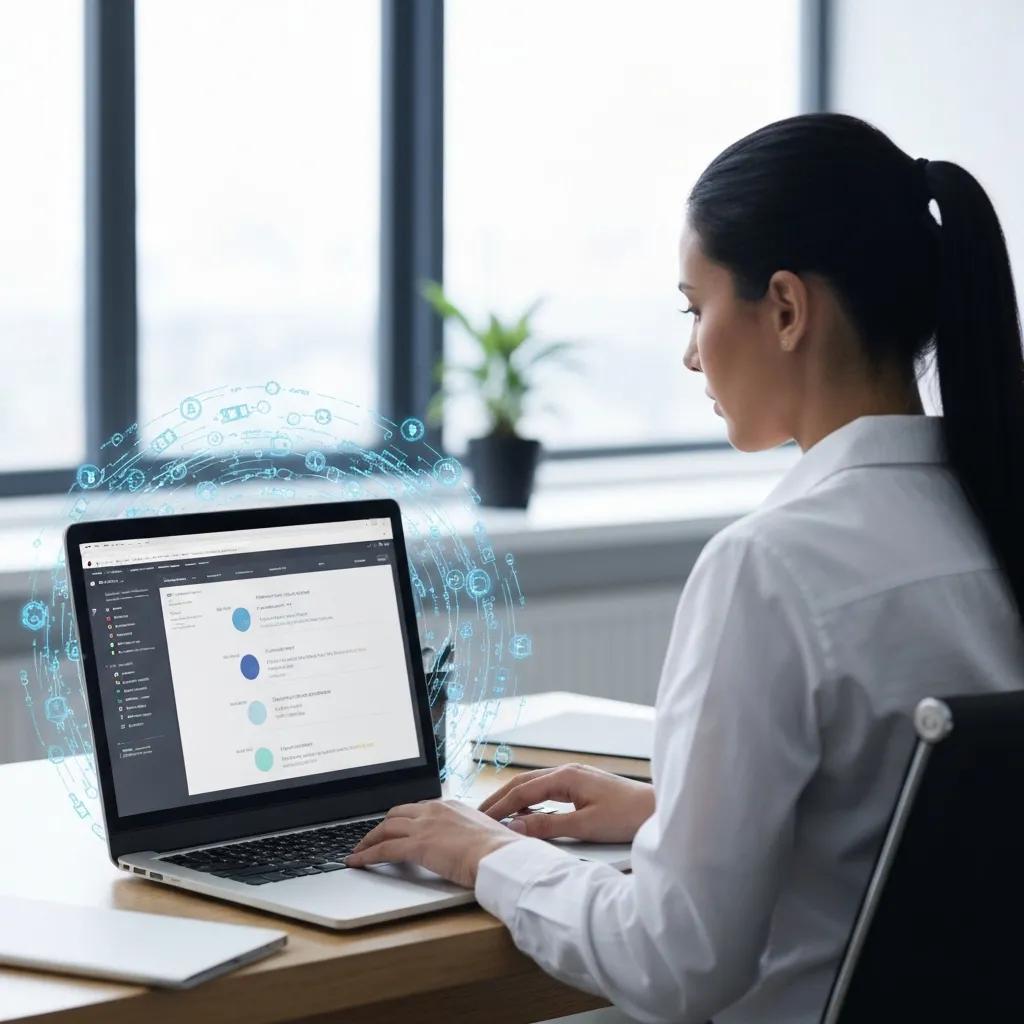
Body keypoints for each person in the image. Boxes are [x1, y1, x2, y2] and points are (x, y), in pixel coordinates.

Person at [345, 113, 1024, 1023]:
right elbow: (904, 826)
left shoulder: (771, 567)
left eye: (695, 307)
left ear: (786, 309)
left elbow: (675, 962)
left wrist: (481, 851)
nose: (692, 351)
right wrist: (674, 812)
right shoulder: (987, 523)